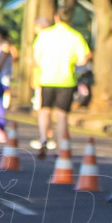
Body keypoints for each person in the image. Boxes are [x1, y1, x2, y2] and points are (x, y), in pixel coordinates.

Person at [32, 10, 90, 158]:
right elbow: (83, 59)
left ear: (56, 17)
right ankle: (60, 147)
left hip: (47, 78)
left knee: (44, 110)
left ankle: (44, 139)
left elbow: (36, 57)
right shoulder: (75, 36)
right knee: (62, 115)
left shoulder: (44, 34)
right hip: (66, 80)